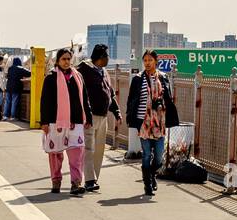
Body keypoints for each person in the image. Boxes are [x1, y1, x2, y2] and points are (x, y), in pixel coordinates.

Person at [126, 49, 179, 198]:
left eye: (150, 60)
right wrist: (130, 117)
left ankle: (152, 174)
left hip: (159, 121)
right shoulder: (138, 79)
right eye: (145, 60)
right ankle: (147, 184)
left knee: (159, 157)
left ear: (156, 61)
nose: (147, 63)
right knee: (147, 154)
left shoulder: (163, 77)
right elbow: (131, 100)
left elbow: (168, 97)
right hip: (143, 121)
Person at [40, 48, 92, 194]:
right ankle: (56, 180)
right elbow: (44, 101)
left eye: (69, 59)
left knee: (77, 153)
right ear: (58, 61)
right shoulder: (50, 77)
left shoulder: (78, 76)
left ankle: (76, 183)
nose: (67, 62)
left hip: (76, 120)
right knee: (55, 154)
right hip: (55, 121)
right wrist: (44, 122)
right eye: (63, 59)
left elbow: (85, 98)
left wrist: (87, 116)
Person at [77, 44, 122, 192]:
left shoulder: (104, 72)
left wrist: (116, 112)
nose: (108, 59)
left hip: (103, 117)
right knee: (88, 149)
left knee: (99, 149)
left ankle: (93, 177)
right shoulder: (83, 70)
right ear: (101, 57)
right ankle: (89, 180)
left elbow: (110, 94)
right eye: (107, 56)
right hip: (89, 116)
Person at [4, 56, 30, 121]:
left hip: (8, 87)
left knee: (7, 102)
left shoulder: (10, 68)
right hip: (16, 87)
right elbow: (29, 73)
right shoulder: (20, 68)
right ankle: (13, 116)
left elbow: (7, 76)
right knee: (14, 102)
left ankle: (5, 116)